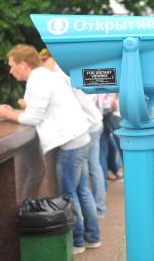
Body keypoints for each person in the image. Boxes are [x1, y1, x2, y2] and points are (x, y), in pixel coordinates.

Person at [0, 44, 101, 254]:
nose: (10, 70)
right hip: (80, 137)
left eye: (11, 65)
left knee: (69, 194)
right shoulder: (45, 75)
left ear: (22, 65)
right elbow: (42, 108)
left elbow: (34, 118)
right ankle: (93, 237)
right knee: (83, 191)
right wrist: (20, 109)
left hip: (71, 144)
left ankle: (77, 242)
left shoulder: (37, 80)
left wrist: (5, 114)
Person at [39, 48, 107, 218]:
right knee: (92, 171)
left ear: (51, 58)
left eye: (44, 59)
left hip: (85, 128)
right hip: (94, 123)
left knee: (86, 176)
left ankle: (98, 210)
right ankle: (99, 209)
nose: (41, 63)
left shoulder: (59, 76)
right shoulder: (69, 70)